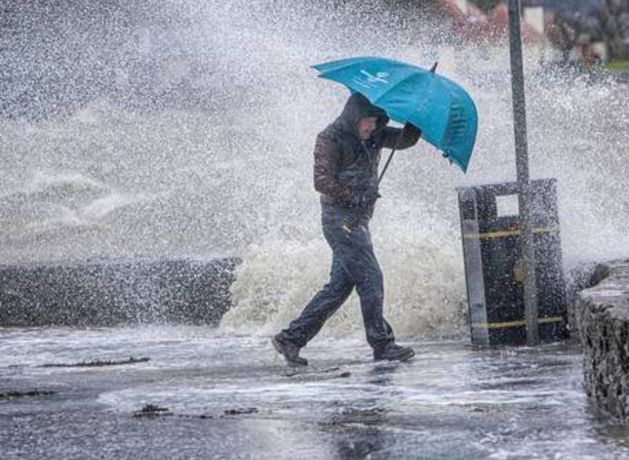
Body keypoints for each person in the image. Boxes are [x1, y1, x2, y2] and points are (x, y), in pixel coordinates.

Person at [272, 92, 421, 366]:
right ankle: (382, 344)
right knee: (371, 277)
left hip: (358, 221)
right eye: (367, 121)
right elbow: (321, 181)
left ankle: (290, 339)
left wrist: (416, 118)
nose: (371, 127)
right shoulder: (330, 138)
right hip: (339, 220)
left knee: (339, 287)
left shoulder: (375, 134)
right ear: (354, 117)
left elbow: (405, 140)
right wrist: (353, 197)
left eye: (376, 121)